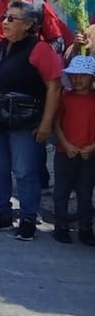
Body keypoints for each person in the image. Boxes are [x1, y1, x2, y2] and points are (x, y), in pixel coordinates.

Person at [0, 0, 62, 241]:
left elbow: (54, 88)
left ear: (29, 25)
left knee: (25, 172)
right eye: (4, 17)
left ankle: (27, 218)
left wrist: (46, 123)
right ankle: (2, 213)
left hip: (25, 123)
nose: (5, 22)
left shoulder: (40, 49)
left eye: (12, 19)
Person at [51, 55, 95, 245]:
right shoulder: (64, 97)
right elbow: (57, 122)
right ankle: (60, 226)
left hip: (89, 154)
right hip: (64, 152)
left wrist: (92, 147)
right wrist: (66, 144)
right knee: (62, 191)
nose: (78, 79)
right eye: (75, 75)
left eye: (83, 75)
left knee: (85, 193)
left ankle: (85, 227)